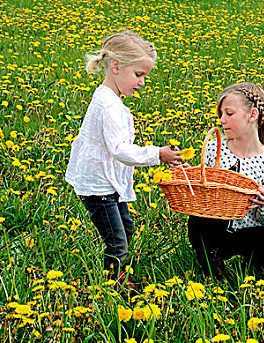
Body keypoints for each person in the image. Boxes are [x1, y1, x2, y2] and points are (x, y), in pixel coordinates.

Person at [65, 30, 182, 289]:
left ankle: (119, 275)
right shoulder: (107, 106)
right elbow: (119, 150)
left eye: (144, 76)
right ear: (116, 66)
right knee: (116, 239)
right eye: (138, 75)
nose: (141, 82)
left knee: (125, 227)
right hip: (98, 186)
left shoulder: (111, 99)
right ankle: (113, 286)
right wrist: (157, 154)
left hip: (108, 181)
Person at [187, 82, 264, 278]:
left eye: (229, 114)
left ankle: (251, 269)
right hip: (214, 225)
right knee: (198, 222)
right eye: (221, 114)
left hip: (249, 230)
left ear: (252, 115)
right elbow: (204, 188)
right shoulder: (215, 148)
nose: (222, 120)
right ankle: (212, 266)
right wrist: (189, 176)